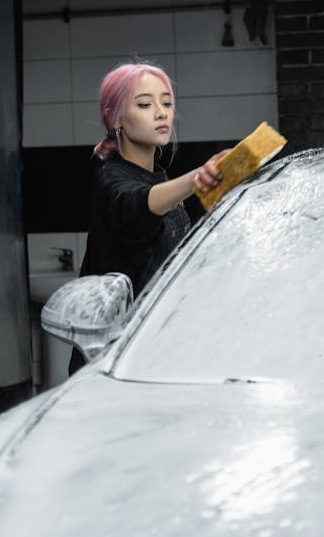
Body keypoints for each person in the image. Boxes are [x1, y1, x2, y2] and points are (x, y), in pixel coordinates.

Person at [69, 60, 230, 373]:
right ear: (115, 118)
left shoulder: (159, 178)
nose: (161, 112)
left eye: (167, 103)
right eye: (145, 104)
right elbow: (136, 205)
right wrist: (197, 178)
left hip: (159, 351)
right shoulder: (110, 181)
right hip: (114, 366)